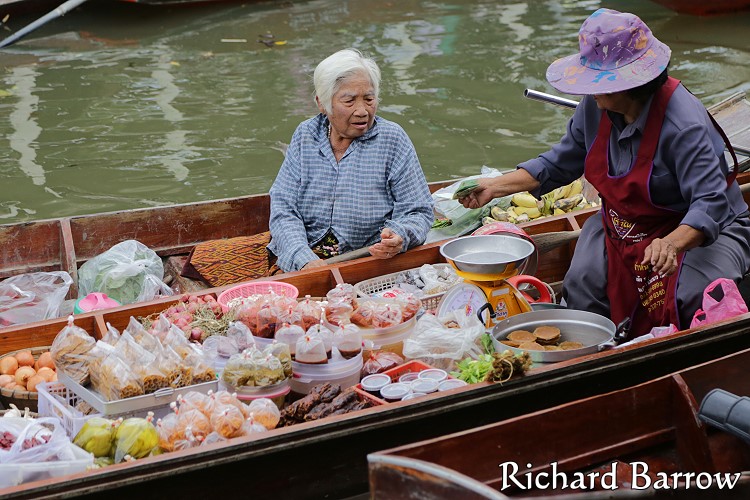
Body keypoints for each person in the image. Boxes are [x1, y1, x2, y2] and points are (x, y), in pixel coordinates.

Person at [459, 9, 750, 338]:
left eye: (600, 83)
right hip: (624, 225)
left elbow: (710, 203)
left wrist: (670, 245)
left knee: (693, 298)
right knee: (582, 284)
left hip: (698, 231)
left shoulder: (684, 124)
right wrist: (495, 186)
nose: (591, 91)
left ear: (633, 84)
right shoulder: (596, 105)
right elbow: (561, 162)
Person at [268, 48, 434, 272]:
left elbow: (419, 211)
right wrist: (302, 258)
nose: (362, 111)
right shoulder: (306, 134)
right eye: (349, 101)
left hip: (367, 259)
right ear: (323, 104)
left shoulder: (392, 139)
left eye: (369, 99)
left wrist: (400, 235)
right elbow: (283, 206)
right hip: (307, 256)